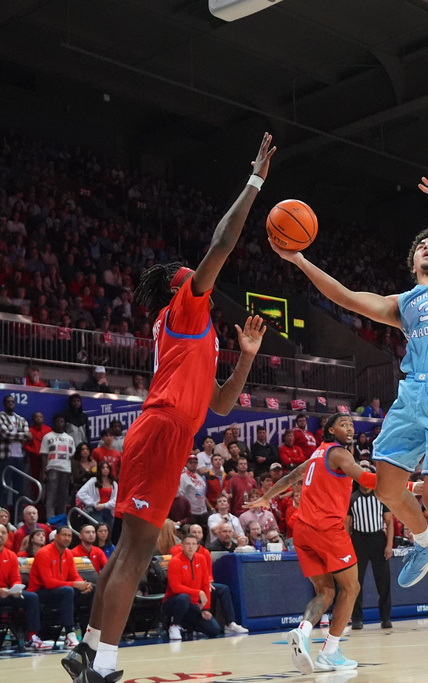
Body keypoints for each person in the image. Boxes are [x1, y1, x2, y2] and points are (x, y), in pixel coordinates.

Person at [65, 133, 274, 683]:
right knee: (137, 556)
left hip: (160, 430)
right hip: (161, 431)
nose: (199, 273)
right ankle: (104, 666)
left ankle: (87, 650)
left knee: (125, 552)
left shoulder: (192, 340)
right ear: (180, 287)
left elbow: (224, 404)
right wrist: (254, 181)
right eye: (191, 272)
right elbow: (223, 242)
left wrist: (246, 357)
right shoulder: (183, 309)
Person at [271, 206, 428, 598]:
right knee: (387, 489)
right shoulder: (402, 303)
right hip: (410, 395)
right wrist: (299, 259)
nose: (426, 246)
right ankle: (427, 544)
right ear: (413, 264)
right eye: (422, 244)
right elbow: (347, 297)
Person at [245, 410, 370, 673]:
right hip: (327, 530)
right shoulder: (339, 453)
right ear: (331, 431)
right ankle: (330, 652)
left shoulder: (316, 455)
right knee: (351, 588)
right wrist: (406, 485)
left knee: (325, 592)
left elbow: (290, 479)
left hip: (303, 531)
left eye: (351, 424)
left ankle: (302, 631)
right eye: (343, 424)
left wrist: (267, 496)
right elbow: (366, 480)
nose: (350, 427)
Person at [29, 526, 94, 648]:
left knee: (93, 589)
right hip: (40, 592)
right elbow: (48, 583)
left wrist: (83, 585)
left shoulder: (68, 553)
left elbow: (75, 575)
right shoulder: (43, 553)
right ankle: (70, 633)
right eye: (64, 535)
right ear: (56, 537)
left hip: (60, 590)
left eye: (69, 536)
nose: (67, 538)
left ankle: (90, 631)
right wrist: (75, 584)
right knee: (68, 591)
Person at [347, 462, 394, 630]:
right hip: (358, 540)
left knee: (384, 582)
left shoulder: (380, 496)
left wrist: (389, 545)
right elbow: (347, 525)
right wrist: (347, 547)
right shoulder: (352, 498)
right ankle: (357, 619)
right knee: (355, 582)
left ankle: (385, 618)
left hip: (377, 539)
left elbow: (389, 522)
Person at [163, 535, 221, 640]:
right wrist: (199, 593)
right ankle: (174, 625)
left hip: (193, 604)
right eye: (188, 544)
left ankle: (185, 624)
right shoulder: (175, 561)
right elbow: (176, 588)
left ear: (198, 546)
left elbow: (205, 584)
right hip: (174, 602)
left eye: (194, 544)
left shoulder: (201, 559)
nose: (191, 547)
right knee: (184, 597)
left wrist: (206, 608)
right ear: (182, 546)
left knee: (214, 630)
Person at [42, 414, 77, 520]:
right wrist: (44, 472)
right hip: (52, 468)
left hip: (66, 469)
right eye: (57, 421)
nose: (59, 423)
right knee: (51, 495)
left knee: (63, 496)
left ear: (65, 423)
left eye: (61, 421)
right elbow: (44, 455)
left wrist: (72, 473)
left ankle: (60, 519)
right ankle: (50, 519)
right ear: (54, 423)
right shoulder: (48, 436)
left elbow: (72, 457)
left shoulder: (70, 438)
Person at [0, 394, 30, 508]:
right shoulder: (1, 417)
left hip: (20, 458)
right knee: (4, 488)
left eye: (12, 402)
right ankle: (2, 517)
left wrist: (17, 435)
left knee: (19, 489)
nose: (11, 403)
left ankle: (18, 519)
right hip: (5, 457)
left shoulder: (20, 419)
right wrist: (23, 435)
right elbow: (6, 434)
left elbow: (28, 436)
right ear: (4, 404)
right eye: (8, 402)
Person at [77, 463, 118, 528]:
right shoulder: (93, 481)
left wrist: (105, 505)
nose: (105, 469)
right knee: (98, 530)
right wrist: (93, 503)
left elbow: (117, 498)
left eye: (107, 468)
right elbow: (81, 493)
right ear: (99, 469)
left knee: (108, 533)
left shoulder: (114, 483)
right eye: (103, 468)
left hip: (109, 511)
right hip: (95, 510)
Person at [26, 411, 51, 484]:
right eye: (36, 417)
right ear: (33, 419)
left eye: (40, 417)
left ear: (43, 418)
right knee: (34, 478)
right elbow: (26, 445)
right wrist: (35, 452)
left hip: (47, 457)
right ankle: (36, 495)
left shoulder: (48, 429)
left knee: (47, 478)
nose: (38, 418)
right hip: (34, 458)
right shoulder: (30, 430)